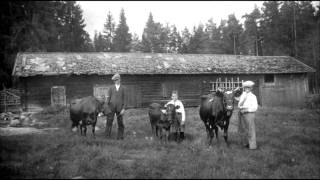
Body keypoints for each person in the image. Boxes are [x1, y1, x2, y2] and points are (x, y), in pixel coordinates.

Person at [238, 80, 258, 150]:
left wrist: (247, 110)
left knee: (251, 129)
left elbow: (255, 107)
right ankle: (245, 143)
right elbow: (239, 105)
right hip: (242, 113)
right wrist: (241, 108)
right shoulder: (242, 95)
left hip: (249, 114)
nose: (247, 89)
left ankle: (252, 146)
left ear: (251, 88)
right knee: (243, 129)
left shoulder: (253, 96)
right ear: (244, 88)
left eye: (248, 88)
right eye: (245, 87)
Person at [105, 73, 127, 140]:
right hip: (111, 107)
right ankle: (107, 135)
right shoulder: (111, 88)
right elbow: (108, 98)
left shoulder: (123, 88)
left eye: (117, 80)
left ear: (120, 80)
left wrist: (123, 109)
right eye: (114, 80)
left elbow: (125, 99)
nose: (116, 81)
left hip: (120, 108)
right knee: (109, 121)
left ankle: (120, 136)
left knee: (120, 122)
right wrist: (106, 107)